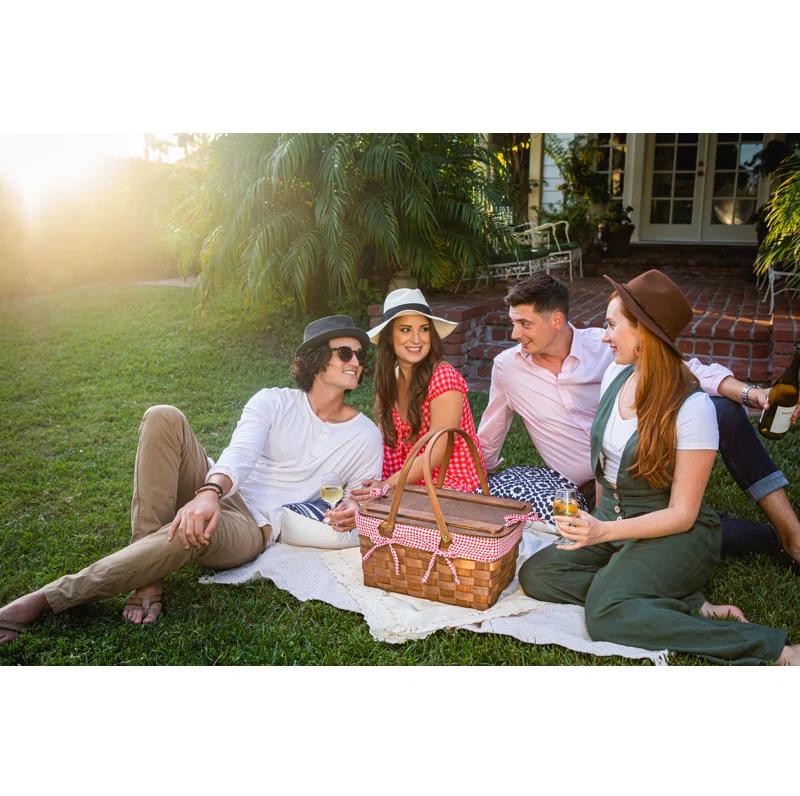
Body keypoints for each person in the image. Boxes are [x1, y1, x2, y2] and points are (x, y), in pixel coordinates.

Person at [0, 315, 382, 644]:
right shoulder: (274, 401)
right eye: (344, 352)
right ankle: (148, 579)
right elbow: (240, 454)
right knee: (163, 416)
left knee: (194, 527)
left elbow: (360, 495)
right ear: (316, 360)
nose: (355, 361)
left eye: (360, 356)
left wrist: (351, 505)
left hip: (254, 526)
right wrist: (210, 491)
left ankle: (46, 599)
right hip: (221, 486)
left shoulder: (364, 434)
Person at [517, 270, 799, 665]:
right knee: (539, 576)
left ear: (644, 334)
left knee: (605, 612)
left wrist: (604, 532)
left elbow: (683, 514)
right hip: (613, 523)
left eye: (612, 325)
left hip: (674, 534)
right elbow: (607, 470)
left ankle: (771, 649)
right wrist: (598, 524)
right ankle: (673, 599)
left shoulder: (692, 408)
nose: (604, 336)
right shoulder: (616, 373)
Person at [477, 272, 800, 566]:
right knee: (686, 527)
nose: (514, 333)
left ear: (557, 320)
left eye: (524, 323)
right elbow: (490, 435)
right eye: (513, 322)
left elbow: (686, 371)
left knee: (723, 411)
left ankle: (790, 530)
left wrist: (750, 393)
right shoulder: (508, 368)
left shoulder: (608, 346)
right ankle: (770, 540)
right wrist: (472, 483)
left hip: (647, 463)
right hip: (595, 490)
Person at [353, 288, 486, 499]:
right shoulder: (390, 379)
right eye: (405, 330)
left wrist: (385, 486)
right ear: (389, 337)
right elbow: (381, 440)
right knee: (353, 501)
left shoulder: (443, 378)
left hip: (447, 484)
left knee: (379, 516)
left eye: (423, 329)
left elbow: (435, 453)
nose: (417, 339)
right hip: (403, 478)